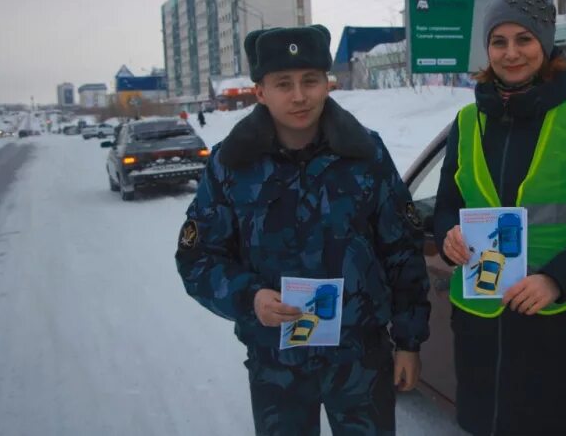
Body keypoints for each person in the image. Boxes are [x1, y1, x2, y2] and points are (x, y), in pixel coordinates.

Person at [175, 25, 430, 435]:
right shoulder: (231, 164)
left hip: (360, 359)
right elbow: (197, 257)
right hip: (277, 363)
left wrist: (409, 342)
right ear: (260, 91)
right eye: (283, 84)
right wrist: (251, 297)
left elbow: (402, 249)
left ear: (327, 84)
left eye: (310, 81)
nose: (299, 96)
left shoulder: (365, 153)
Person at [433, 0, 566, 436]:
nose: (511, 53)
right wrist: (449, 234)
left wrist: (556, 280)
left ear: (545, 45)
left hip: (557, 325)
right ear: (487, 51)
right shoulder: (467, 124)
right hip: (481, 327)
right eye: (499, 41)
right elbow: (448, 205)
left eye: (524, 39)